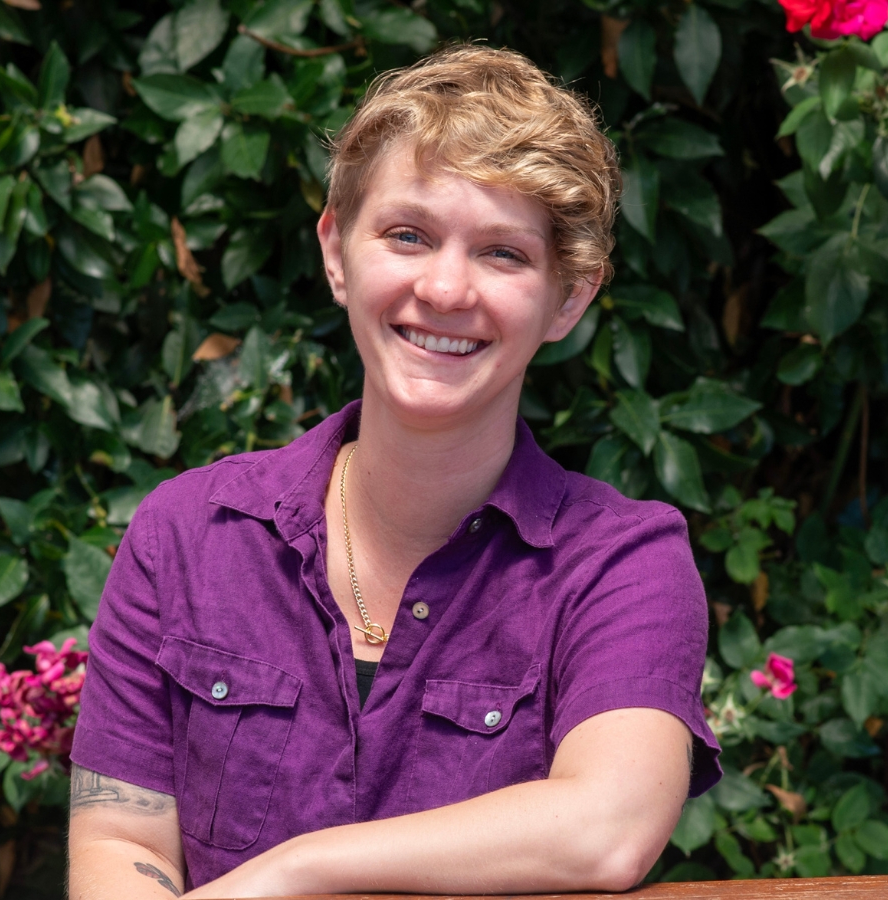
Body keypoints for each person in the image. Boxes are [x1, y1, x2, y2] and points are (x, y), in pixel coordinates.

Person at [65, 44, 721, 899]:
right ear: (337, 252)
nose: (446, 289)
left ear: (570, 297)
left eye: (503, 254)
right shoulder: (188, 532)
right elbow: (118, 838)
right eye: (407, 235)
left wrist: (299, 870)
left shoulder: (622, 566)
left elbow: (607, 829)